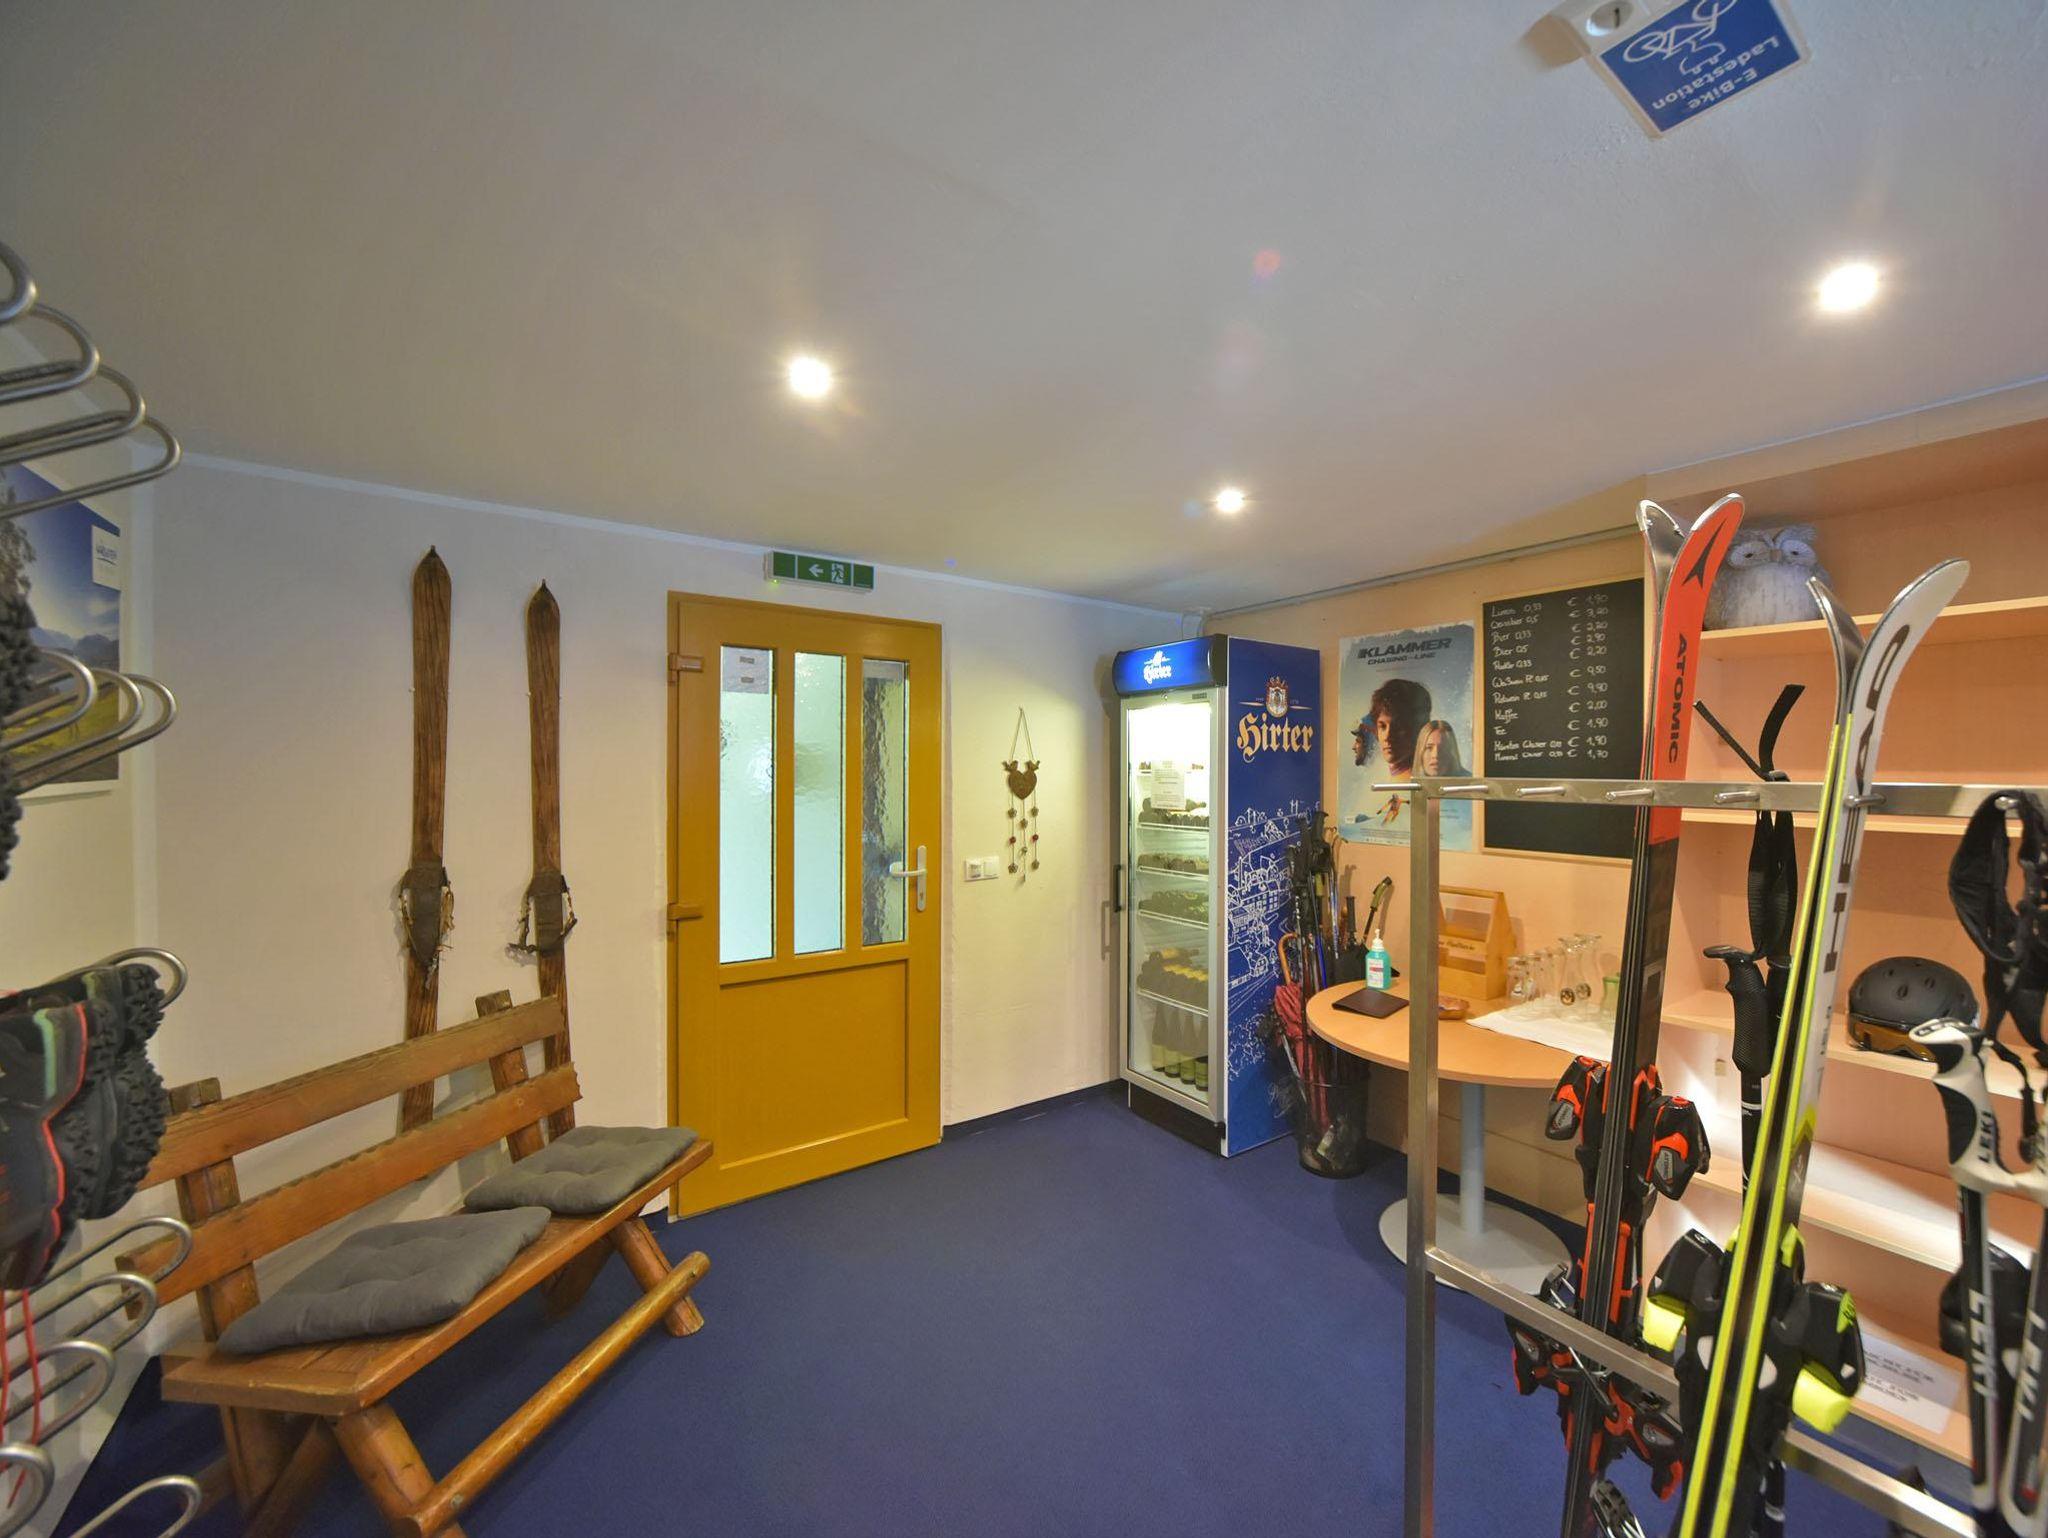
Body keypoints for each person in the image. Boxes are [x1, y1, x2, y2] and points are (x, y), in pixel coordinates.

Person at [1352, 678, 1432, 776]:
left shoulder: (1421, 776)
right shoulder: (1384, 774)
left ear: (1418, 729)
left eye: (1397, 727)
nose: (1387, 736)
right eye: (1382, 726)